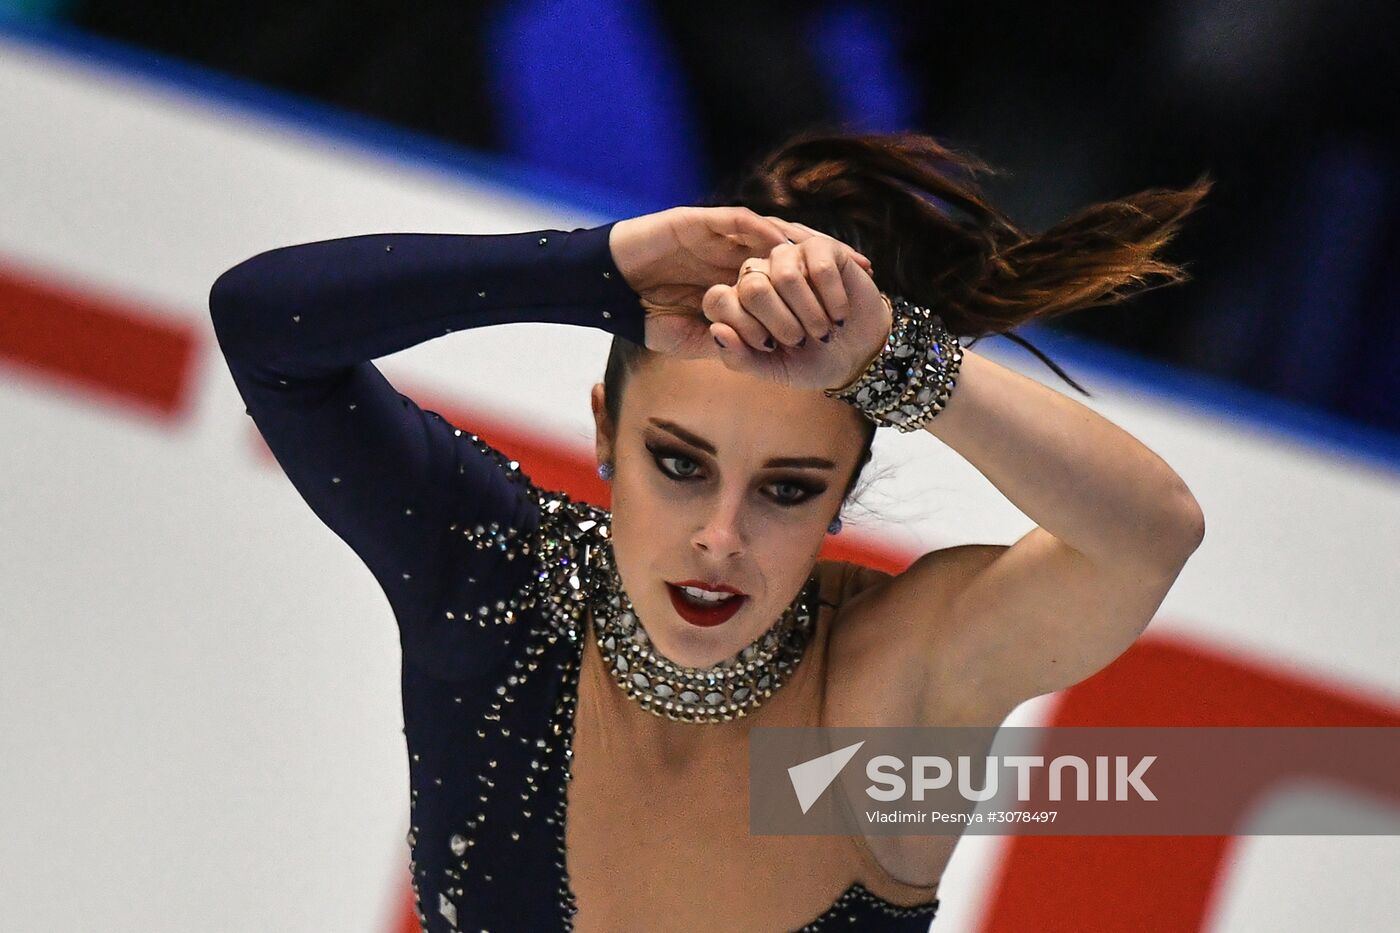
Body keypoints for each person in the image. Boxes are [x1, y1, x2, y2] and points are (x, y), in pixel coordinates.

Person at [208, 129, 1209, 932]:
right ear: (606, 429)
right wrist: (591, 272)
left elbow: (1148, 534)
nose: (720, 537)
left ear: (841, 492)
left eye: (784, 490)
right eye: (680, 465)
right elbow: (262, 327)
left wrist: (894, 360)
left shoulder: (884, 690)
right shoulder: (496, 580)